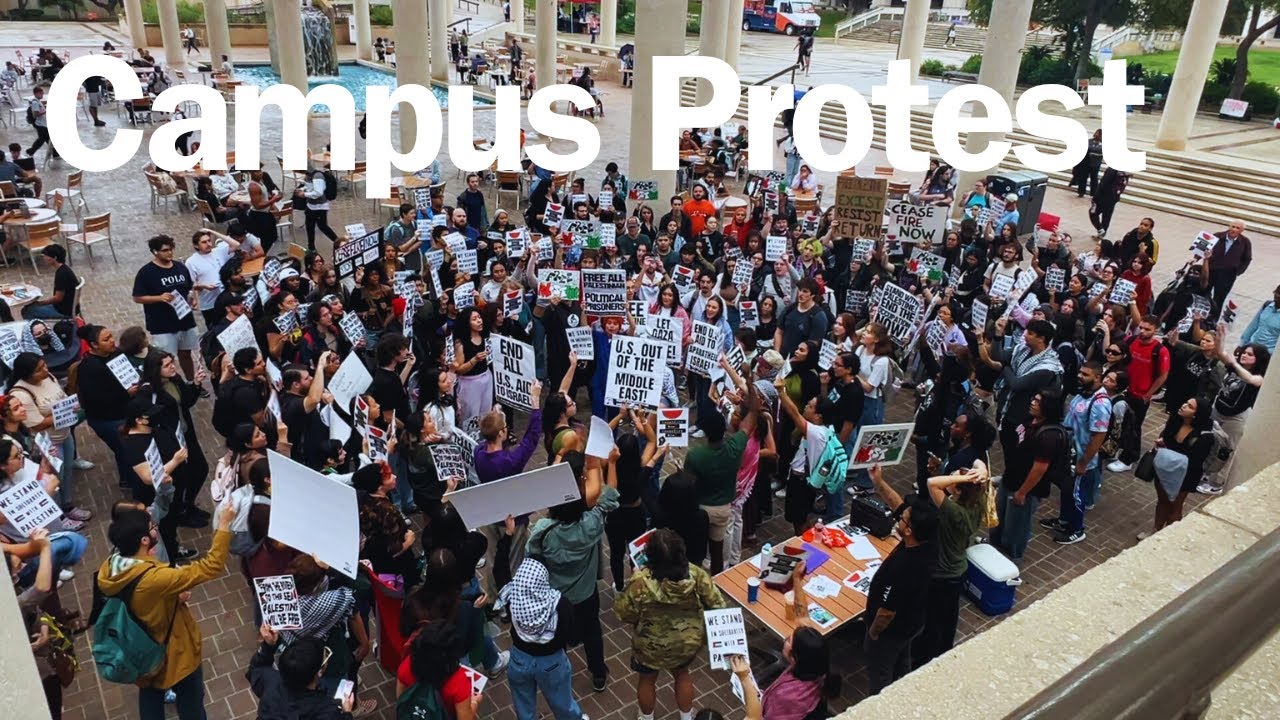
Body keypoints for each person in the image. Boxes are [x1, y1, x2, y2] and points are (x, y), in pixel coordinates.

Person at [93, 504, 235, 719]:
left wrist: (173, 596)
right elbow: (211, 566)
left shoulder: (111, 565)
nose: (155, 528)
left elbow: (140, 601)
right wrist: (224, 525)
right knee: (192, 706)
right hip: (175, 653)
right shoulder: (154, 578)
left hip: (141, 653)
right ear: (144, 540)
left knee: (150, 696)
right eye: (152, 527)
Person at [526, 452, 618, 692]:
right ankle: (598, 673)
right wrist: (608, 464)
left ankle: (559, 677)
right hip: (586, 592)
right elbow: (610, 496)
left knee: (559, 636)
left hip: (558, 596)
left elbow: (531, 554)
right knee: (592, 630)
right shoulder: (591, 523)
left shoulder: (544, 530)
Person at [614, 529, 726, 720]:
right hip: (685, 642)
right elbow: (717, 604)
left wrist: (635, 578)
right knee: (682, 675)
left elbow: (624, 613)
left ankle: (647, 717)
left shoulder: (640, 582)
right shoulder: (696, 575)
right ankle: (685, 716)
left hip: (649, 646)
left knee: (647, 680)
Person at [863, 488, 939, 695]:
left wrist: (873, 633)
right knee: (903, 658)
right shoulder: (929, 544)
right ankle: (905, 686)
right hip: (912, 623)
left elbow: (887, 611)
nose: (899, 518)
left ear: (909, 531)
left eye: (903, 520)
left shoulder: (905, 568)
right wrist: (878, 482)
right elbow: (901, 507)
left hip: (891, 632)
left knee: (881, 670)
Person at [499, 558, 587, 720]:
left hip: (519, 659)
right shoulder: (560, 604)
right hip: (552, 662)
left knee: (523, 705)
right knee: (562, 702)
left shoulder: (512, 598)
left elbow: (499, 569)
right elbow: (573, 638)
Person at [992, 390, 1071, 561]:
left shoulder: (1049, 436)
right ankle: (993, 550)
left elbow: (1039, 469)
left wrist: (1022, 492)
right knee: (998, 520)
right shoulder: (1030, 420)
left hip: (1024, 489)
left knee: (1015, 529)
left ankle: (1010, 561)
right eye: (1034, 398)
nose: (1033, 402)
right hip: (1010, 479)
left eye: (1038, 401)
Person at [1043, 362, 1111, 546]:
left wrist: (1083, 462)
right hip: (1068, 454)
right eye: (1080, 372)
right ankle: (1064, 520)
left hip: (1081, 458)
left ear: (1098, 378)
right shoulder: (1083, 394)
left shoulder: (1100, 403)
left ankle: (1077, 529)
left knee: (1076, 494)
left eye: (1085, 374)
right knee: (1067, 489)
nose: (1080, 376)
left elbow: (1098, 436)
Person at [682, 410, 745, 575]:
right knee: (717, 551)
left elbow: (688, 482)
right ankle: (716, 581)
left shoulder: (695, 455)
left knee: (697, 552)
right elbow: (750, 420)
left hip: (701, 508)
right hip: (723, 509)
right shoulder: (735, 447)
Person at [246, 625, 355, 719]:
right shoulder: (327, 710)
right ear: (319, 672)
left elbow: (255, 669)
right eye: (325, 656)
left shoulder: (270, 681)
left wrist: (268, 646)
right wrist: (346, 713)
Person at [132, 235, 199, 380]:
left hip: (185, 320)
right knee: (166, 360)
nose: (170, 253)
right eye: (165, 250)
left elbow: (188, 288)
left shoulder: (180, 267)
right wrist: (159, 298)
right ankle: (169, 386)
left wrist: (191, 299)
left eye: (171, 249)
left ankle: (191, 381)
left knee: (186, 354)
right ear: (155, 252)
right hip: (162, 325)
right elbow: (137, 297)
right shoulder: (146, 273)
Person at [1149, 397, 1215, 537]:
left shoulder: (1205, 436)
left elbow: (1196, 461)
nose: (1184, 406)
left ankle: (1168, 536)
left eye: (1190, 406)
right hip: (1165, 468)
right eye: (1186, 403)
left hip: (1185, 475)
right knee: (1162, 501)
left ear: (1197, 414)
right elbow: (1167, 438)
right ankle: (1156, 530)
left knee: (1175, 505)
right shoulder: (1175, 420)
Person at [760, 626, 841, 720]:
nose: (786, 638)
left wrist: (745, 681)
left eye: (789, 641)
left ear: (794, 658)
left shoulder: (787, 697)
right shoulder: (816, 671)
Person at [1207, 220, 1252, 317]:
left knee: (1218, 300)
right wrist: (1195, 258)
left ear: (1242, 230)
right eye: (1233, 226)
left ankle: (1212, 321)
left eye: (1237, 228)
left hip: (1227, 276)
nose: (1234, 229)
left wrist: (1238, 271)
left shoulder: (1245, 242)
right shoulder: (1217, 236)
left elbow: (1247, 259)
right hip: (1211, 271)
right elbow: (1204, 248)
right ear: (1229, 226)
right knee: (1203, 294)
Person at [22, 244, 77, 319]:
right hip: (68, 307)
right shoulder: (65, 269)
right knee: (30, 307)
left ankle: (35, 328)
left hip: (63, 311)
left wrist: (41, 303)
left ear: (54, 258)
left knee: (27, 310)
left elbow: (58, 298)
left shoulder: (61, 274)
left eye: (45, 256)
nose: (43, 258)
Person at [301, 169, 338, 251]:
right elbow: (311, 187)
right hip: (311, 206)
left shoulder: (317, 176)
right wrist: (303, 189)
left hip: (319, 207)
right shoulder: (309, 174)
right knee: (309, 226)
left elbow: (318, 192)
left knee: (323, 226)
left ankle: (338, 242)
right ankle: (311, 248)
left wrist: (304, 194)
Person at [1240, 283, 1280, 351]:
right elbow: (1252, 327)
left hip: (1267, 354)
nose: (1277, 296)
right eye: (1277, 293)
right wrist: (1241, 345)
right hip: (1251, 347)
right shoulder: (1267, 305)